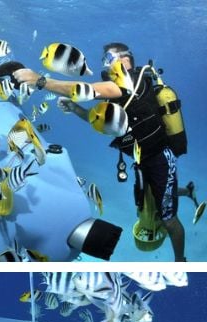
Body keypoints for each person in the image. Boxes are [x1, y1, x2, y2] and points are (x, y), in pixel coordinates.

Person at [13, 42, 193, 261]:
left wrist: (41, 81)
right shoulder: (116, 95)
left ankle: (180, 261)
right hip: (141, 161)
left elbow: (86, 90)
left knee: (168, 219)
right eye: (105, 61)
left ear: (126, 59)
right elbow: (101, 122)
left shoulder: (134, 82)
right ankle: (185, 191)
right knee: (152, 200)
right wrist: (76, 109)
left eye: (109, 59)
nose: (106, 65)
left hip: (160, 160)